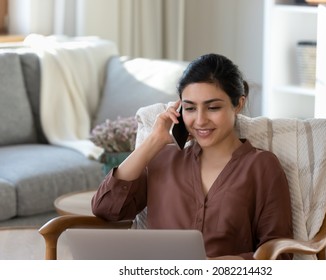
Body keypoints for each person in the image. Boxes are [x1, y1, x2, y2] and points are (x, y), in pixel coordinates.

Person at [91, 53, 293, 260]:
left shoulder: (261, 166)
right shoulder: (163, 160)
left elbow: (279, 254)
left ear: (238, 104)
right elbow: (106, 210)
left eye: (213, 107)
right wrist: (154, 141)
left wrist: (222, 265)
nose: (200, 120)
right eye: (189, 108)